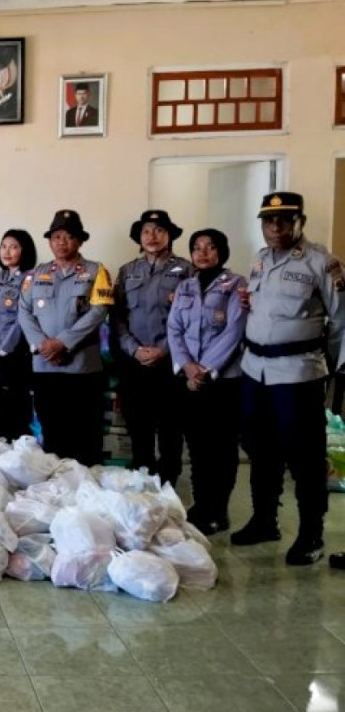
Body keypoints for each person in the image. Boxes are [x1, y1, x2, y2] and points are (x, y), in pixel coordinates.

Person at [234, 192, 345, 566]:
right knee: (259, 447)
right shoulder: (260, 260)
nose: (276, 227)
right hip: (255, 370)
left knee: (304, 456)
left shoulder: (323, 263)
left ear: (301, 222)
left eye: (285, 220)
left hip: (297, 372)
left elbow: (340, 322)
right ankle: (264, 520)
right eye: (269, 220)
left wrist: (333, 368)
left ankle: (311, 534)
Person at [166, 229, 247, 535]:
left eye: (210, 248)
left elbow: (235, 330)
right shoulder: (185, 286)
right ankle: (200, 505)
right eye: (197, 248)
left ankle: (218, 510)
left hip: (222, 381)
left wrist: (204, 369)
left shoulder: (236, 284)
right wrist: (187, 367)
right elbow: (174, 328)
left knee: (222, 448)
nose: (202, 253)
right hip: (188, 380)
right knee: (197, 447)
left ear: (221, 252)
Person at [18, 210, 113, 465]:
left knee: (86, 438)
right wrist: (43, 345)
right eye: (57, 237)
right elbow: (24, 311)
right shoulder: (36, 274)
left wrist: (63, 343)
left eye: (69, 237)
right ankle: (57, 488)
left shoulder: (96, 271)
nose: (62, 242)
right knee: (52, 436)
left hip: (82, 369)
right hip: (45, 368)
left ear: (80, 241)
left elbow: (99, 311)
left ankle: (85, 487)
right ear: (50, 242)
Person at [111, 210, 193, 487]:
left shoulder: (186, 270)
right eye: (146, 231)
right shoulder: (127, 271)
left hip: (171, 361)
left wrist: (165, 350)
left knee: (171, 428)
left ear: (169, 236)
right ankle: (142, 480)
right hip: (135, 362)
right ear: (139, 237)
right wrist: (133, 349)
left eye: (159, 230)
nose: (152, 236)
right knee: (138, 426)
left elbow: (192, 319)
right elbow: (117, 318)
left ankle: (169, 482)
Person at [0, 229, 37, 441]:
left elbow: (20, 322)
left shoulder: (29, 278)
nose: (7, 251)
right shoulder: (1, 277)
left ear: (24, 251)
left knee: (15, 413)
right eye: (4, 246)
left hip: (14, 354)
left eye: (13, 247)